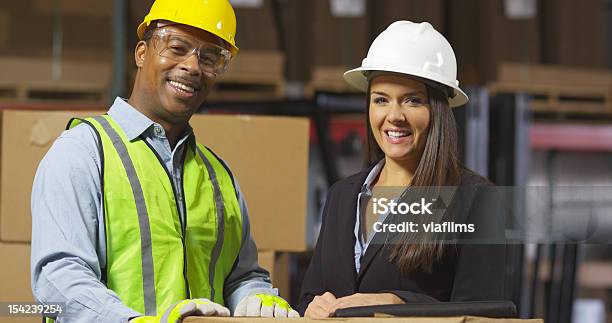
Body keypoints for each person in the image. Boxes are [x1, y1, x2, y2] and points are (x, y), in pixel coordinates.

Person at [30, 0, 298, 321]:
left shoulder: (218, 177)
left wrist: (257, 298)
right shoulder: (83, 153)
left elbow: (240, 275)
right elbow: (58, 278)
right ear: (142, 53)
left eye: (209, 58)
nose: (192, 66)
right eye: (176, 47)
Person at [298, 21, 507, 318]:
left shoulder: (474, 199)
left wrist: (399, 305)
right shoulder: (342, 196)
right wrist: (311, 306)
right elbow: (309, 295)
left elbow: (485, 314)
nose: (394, 116)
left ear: (437, 110)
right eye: (381, 100)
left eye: (412, 100)